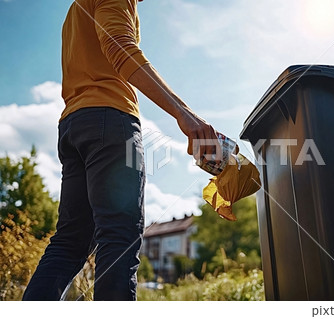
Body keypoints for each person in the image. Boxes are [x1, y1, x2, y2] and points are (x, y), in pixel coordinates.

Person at [23, 0, 219, 301]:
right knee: (119, 236)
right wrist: (184, 113)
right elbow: (120, 46)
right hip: (109, 121)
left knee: (69, 243)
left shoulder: (75, 10)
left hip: (74, 124)